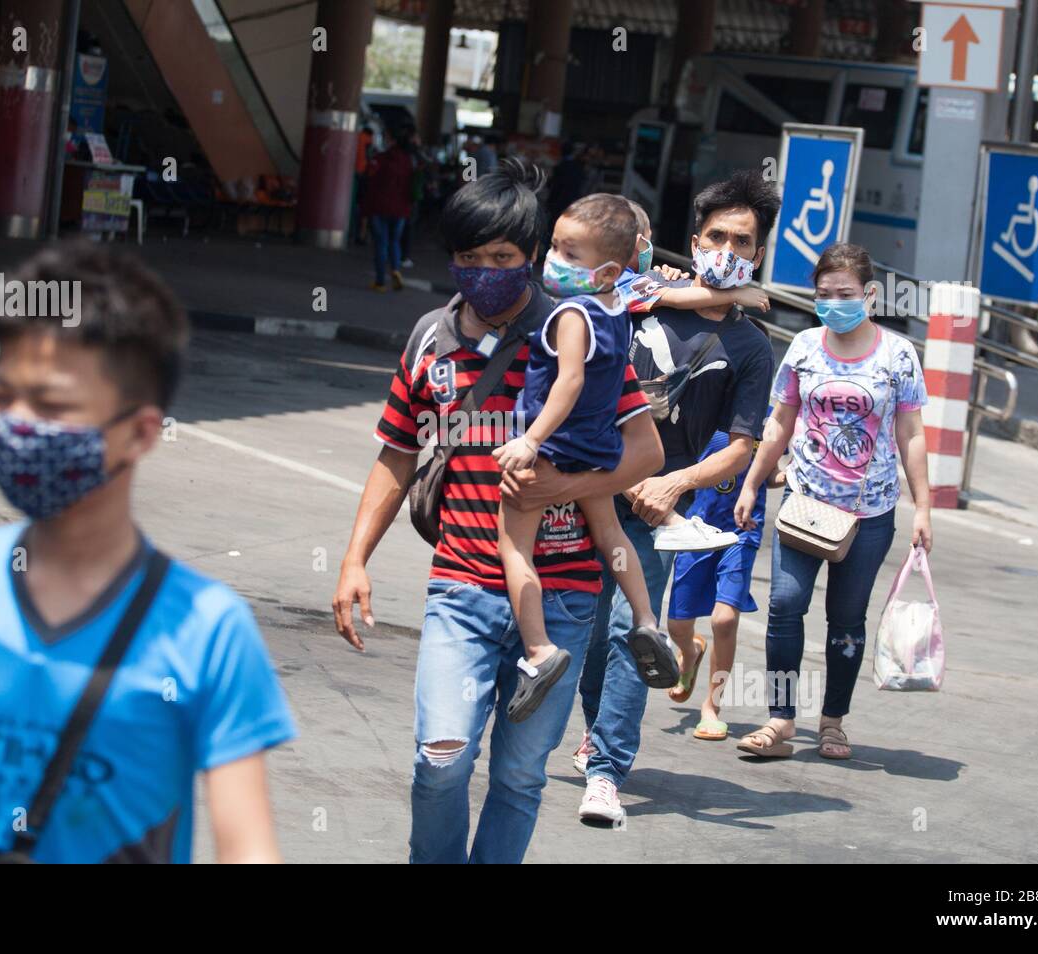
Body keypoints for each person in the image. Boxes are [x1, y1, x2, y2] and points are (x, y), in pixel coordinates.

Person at [0, 245, 295, 862]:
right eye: (2, 397)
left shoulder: (209, 630)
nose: (17, 424)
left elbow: (246, 845)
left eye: (52, 406)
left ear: (140, 433)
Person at [332, 158, 663, 863]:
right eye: (467, 258)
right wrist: (355, 559)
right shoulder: (431, 340)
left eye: (501, 257)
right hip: (461, 588)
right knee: (441, 759)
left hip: (567, 596)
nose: (484, 271)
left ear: (533, 256)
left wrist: (558, 490)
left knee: (517, 776)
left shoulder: (578, 331)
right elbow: (396, 453)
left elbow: (645, 453)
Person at [572, 169, 780, 824]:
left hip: (656, 506)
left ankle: (606, 768)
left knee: (632, 627)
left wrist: (674, 483)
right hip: (584, 484)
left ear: (757, 253)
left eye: (743, 242)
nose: (728, 248)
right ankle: (591, 728)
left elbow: (741, 447)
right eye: (718, 236)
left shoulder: (751, 347)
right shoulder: (637, 296)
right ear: (694, 242)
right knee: (583, 630)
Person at [734, 241, 932, 760]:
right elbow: (779, 421)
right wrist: (753, 481)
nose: (833, 303)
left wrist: (924, 508)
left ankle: (833, 722)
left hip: (869, 513)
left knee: (846, 619)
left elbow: (911, 432)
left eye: (844, 294)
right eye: (823, 294)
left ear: (869, 295)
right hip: (804, 501)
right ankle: (780, 721)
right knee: (784, 606)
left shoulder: (898, 355)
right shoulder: (802, 347)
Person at [491, 194, 670, 724]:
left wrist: (531, 441)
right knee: (611, 536)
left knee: (513, 544)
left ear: (608, 269)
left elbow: (568, 382)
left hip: (556, 451)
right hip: (599, 451)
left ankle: (539, 650)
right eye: (555, 247)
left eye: (570, 254)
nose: (553, 260)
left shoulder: (572, 313)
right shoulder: (618, 308)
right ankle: (644, 621)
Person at [664, 424, 784, 741]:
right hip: (695, 528)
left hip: (742, 532)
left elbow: (770, 473)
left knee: (725, 619)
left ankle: (712, 707)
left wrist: (791, 474)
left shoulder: (770, 420)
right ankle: (690, 652)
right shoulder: (708, 406)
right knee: (677, 625)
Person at [364, 125, 416, 291]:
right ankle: (395, 270)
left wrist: (365, 207)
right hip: (401, 208)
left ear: (392, 139)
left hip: (380, 207)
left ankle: (380, 282)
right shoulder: (408, 160)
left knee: (381, 243)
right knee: (395, 242)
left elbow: (371, 181)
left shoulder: (381, 158)